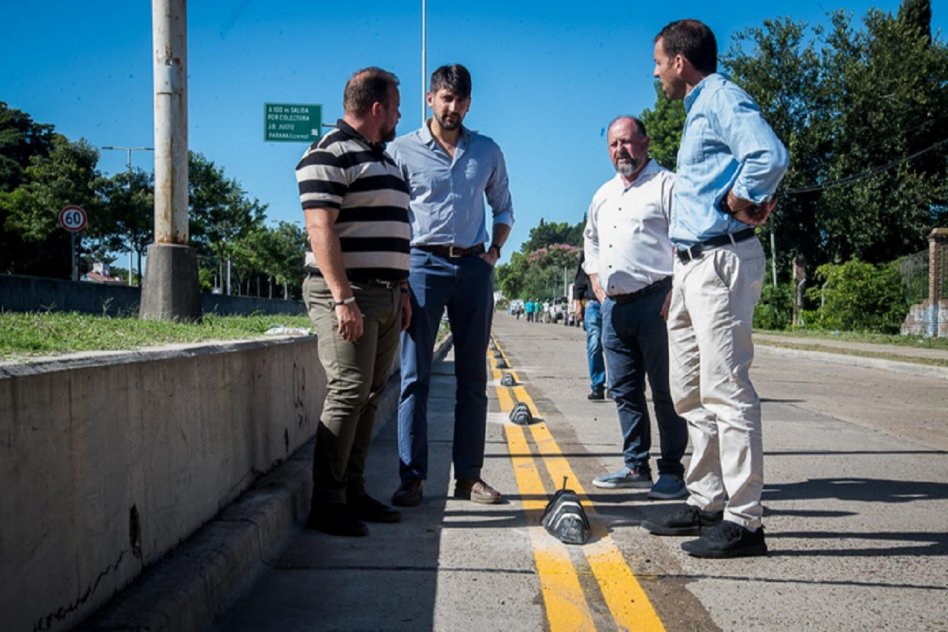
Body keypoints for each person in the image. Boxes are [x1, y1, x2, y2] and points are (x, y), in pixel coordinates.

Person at [641, 19, 789, 557]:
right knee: (689, 390)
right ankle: (706, 500)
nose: (656, 73)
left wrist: (740, 197)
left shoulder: (721, 97)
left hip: (720, 259)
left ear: (680, 62)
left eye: (659, 63)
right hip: (690, 266)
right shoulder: (696, 107)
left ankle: (746, 521)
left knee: (727, 390)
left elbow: (768, 155)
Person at [388, 64, 514, 507]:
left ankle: (470, 477)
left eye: (460, 100)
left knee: (472, 379)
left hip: (473, 268)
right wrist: (401, 276)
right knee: (414, 376)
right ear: (430, 99)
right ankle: (412, 477)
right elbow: (394, 218)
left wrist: (493, 252)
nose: (452, 107)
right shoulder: (403, 151)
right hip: (422, 266)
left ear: (469, 103)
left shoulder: (486, 151)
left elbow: (503, 208)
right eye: (445, 98)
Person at [294, 67, 411, 537]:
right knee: (347, 391)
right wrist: (343, 298)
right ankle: (326, 501)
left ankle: (354, 491)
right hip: (347, 293)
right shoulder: (327, 153)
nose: (401, 114)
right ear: (377, 106)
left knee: (370, 396)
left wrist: (401, 291)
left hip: (386, 295)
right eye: (397, 105)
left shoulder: (382, 158)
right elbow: (320, 228)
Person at [583, 116, 689, 501]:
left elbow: (685, 240)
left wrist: (676, 289)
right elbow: (590, 240)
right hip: (615, 309)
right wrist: (595, 280)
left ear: (645, 143)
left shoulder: (667, 186)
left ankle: (673, 472)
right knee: (625, 391)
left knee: (665, 391)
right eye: (613, 144)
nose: (620, 151)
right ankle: (635, 465)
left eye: (627, 142)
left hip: (656, 302)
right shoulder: (603, 195)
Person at [572, 251, 606, 400]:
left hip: (616, 301)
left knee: (616, 345)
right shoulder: (589, 250)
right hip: (593, 304)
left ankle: (616, 385)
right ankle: (598, 386)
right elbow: (580, 279)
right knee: (594, 344)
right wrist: (578, 302)